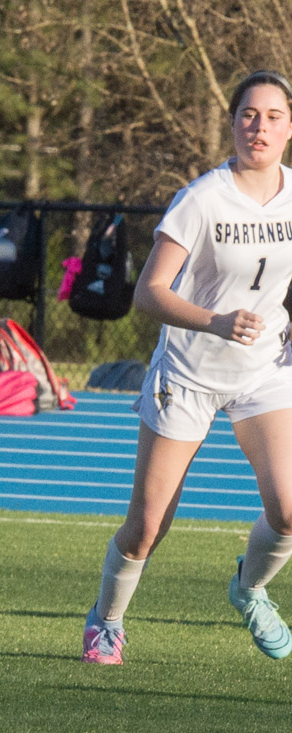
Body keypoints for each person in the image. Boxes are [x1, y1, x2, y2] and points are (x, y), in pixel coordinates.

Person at [82, 70, 292, 666]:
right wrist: (215, 321)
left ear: (290, 127)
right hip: (191, 371)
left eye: (273, 116)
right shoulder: (202, 197)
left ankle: (250, 589)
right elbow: (148, 293)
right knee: (147, 526)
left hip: (265, 371)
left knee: (289, 507)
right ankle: (107, 621)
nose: (260, 126)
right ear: (232, 123)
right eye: (249, 114)